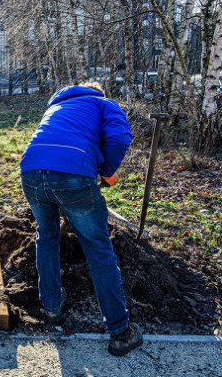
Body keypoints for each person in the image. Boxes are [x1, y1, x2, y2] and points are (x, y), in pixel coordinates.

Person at [20, 81, 142, 356]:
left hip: (31, 172)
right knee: (98, 249)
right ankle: (120, 332)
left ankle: (52, 307)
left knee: (47, 236)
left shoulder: (57, 106)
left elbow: (58, 142)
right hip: (73, 176)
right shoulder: (104, 103)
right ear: (98, 90)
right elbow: (120, 137)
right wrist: (107, 170)